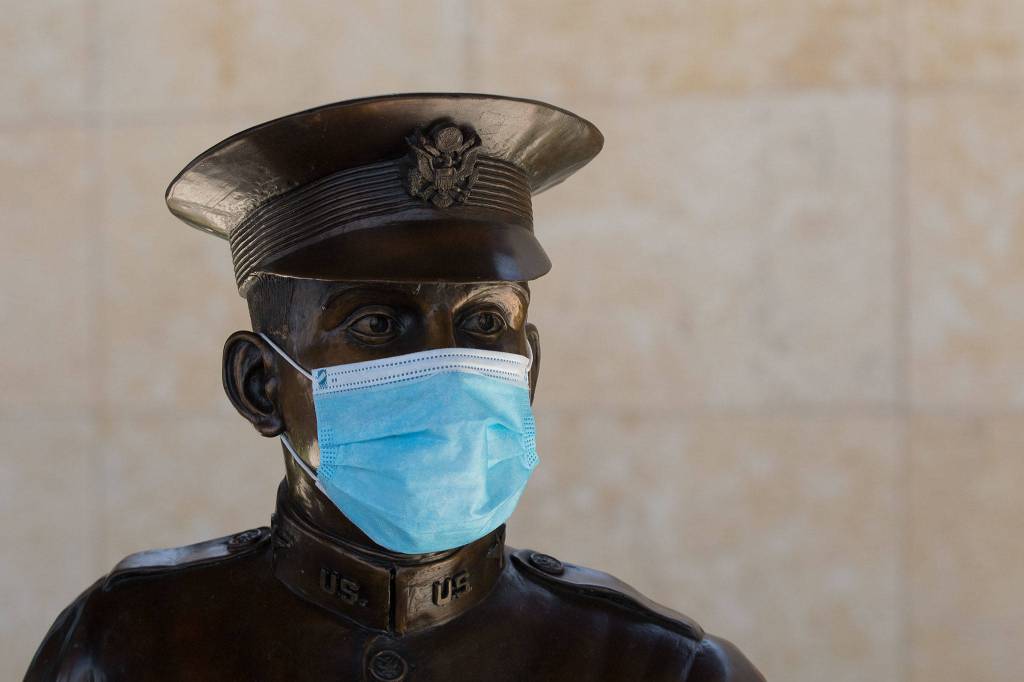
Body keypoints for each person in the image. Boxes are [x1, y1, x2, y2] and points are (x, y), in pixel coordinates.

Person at [26, 93, 764, 681]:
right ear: (258, 385)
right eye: (377, 325)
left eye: (482, 322)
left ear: (528, 369)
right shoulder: (129, 648)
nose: (445, 367)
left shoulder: (654, 666)